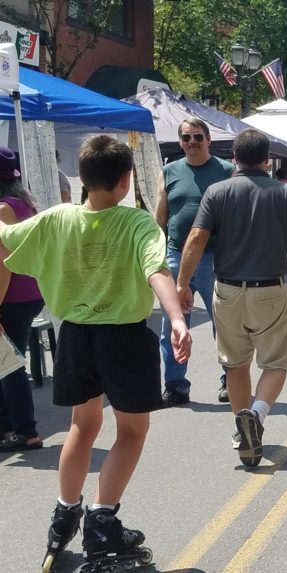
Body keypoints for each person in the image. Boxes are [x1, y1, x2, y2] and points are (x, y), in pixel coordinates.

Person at [1, 135, 191, 568]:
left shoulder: (57, 218)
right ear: (126, 180)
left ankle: (65, 511)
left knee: (82, 426)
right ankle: (102, 521)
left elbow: (7, 237)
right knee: (131, 431)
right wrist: (176, 318)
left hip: (75, 336)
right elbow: (156, 270)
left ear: (81, 178)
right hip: (124, 338)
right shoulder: (137, 223)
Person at [176, 129, 287, 468]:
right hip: (270, 289)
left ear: (234, 158)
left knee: (235, 364)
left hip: (228, 289)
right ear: (267, 160)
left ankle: (241, 425)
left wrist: (182, 283)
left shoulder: (217, 192)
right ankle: (257, 414)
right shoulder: (284, 193)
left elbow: (196, 239)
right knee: (275, 363)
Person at [155, 117, 235, 406]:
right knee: (173, 324)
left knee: (223, 324)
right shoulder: (169, 171)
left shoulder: (226, 170)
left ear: (208, 140)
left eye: (198, 136)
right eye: (186, 137)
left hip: (215, 257)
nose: (192, 142)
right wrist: (158, 257)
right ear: (180, 142)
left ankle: (230, 381)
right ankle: (175, 385)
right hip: (176, 255)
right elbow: (160, 218)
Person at [0, 147, 45, 452]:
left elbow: (4, 264)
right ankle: (9, 427)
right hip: (29, 293)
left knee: (9, 363)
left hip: (12, 296)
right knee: (8, 361)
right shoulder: (23, 203)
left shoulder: (4, 208)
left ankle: (24, 431)